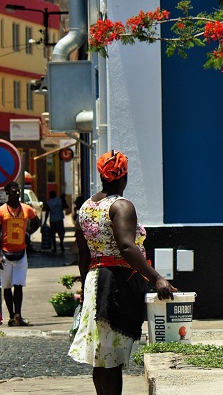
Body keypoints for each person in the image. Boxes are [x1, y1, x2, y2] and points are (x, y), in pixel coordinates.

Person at [69, 150, 175, 395]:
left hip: (94, 280)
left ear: (101, 175)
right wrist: (156, 277)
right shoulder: (121, 206)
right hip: (115, 283)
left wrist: (86, 287)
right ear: (124, 176)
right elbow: (127, 247)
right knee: (113, 357)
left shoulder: (86, 207)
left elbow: (83, 253)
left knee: (101, 355)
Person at [0, 181, 40, 327]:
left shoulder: (26, 209)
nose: (17, 193)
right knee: (6, 287)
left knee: (18, 284)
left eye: (18, 191)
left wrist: (28, 234)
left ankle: (18, 315)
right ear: (7, 193)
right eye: (14, 191)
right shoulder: (0, 211)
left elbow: (37, 222)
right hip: (6, 254)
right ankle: (11, 316)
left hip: (21, 253)